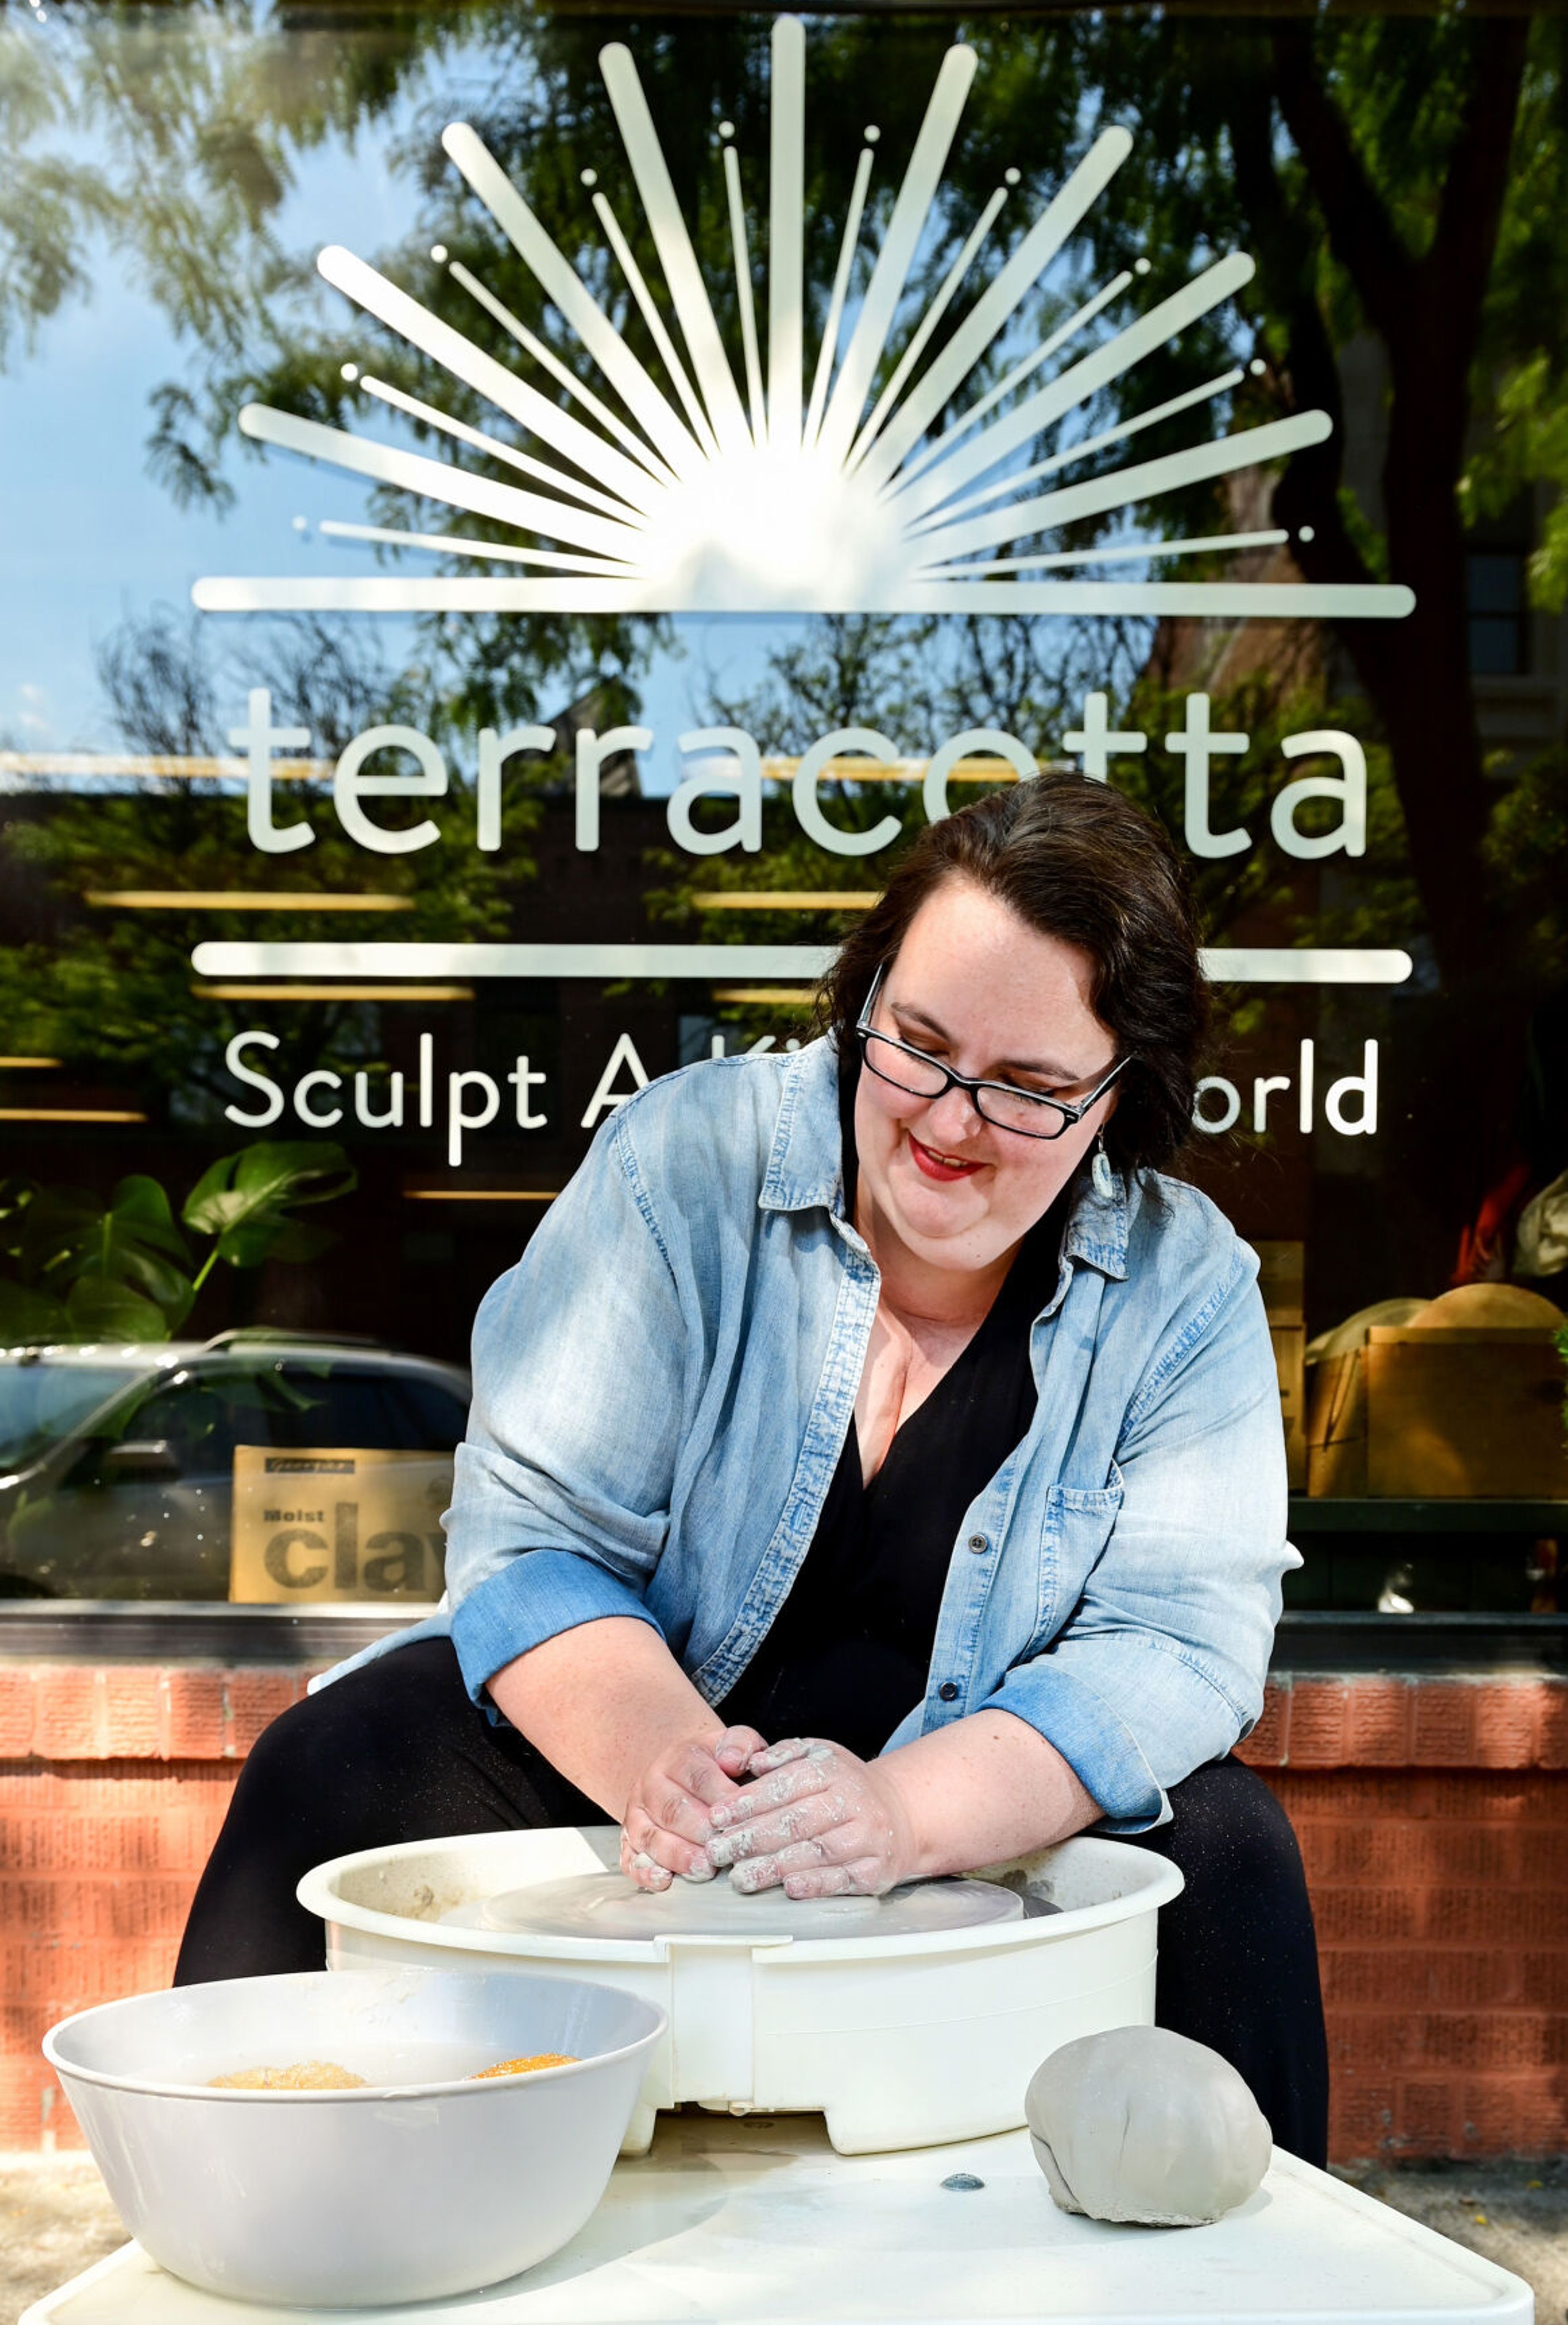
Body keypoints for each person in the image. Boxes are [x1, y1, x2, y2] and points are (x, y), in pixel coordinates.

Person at [175, 774, 1328, 2161]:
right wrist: (668, 1765)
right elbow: (533, 1538)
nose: (951, 1124)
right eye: (917, 1045)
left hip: (969, 1810)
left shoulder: (1182, 1281)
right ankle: (234, 2209)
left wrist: (901, 1811)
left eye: (1026, 1089)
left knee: (1232, 1853)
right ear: (865, 1001)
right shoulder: (687, 1161)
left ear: (1114, 1101)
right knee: (336, 1755)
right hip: (646, 1766)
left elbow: (1182, 1648)